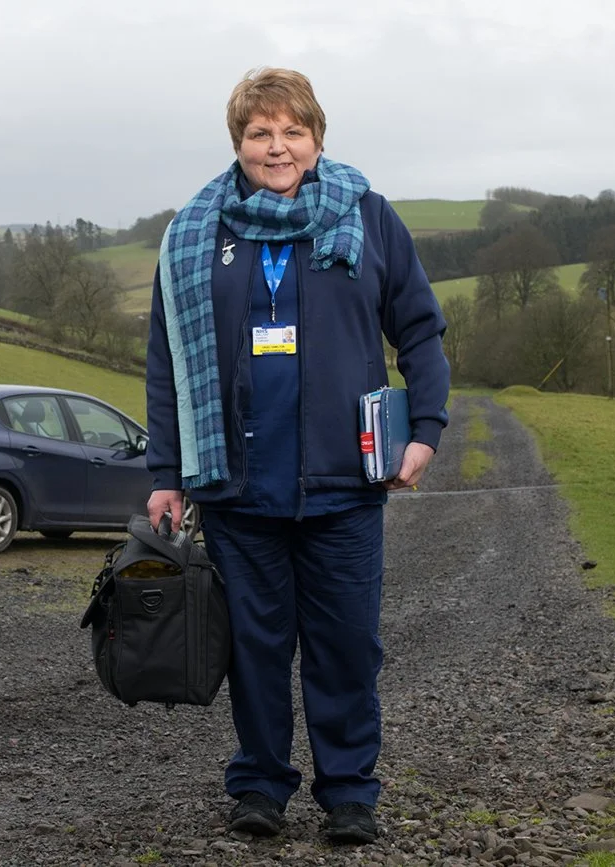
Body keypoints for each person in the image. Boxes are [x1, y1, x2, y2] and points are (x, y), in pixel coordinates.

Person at [144, 67, 450, 845]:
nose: (277, 148)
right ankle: (260, 786)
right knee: (254, 648)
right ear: (238, 142)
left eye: (293, 131)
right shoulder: (195, 235)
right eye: (260, 133)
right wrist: (166, 475)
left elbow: (418, 330)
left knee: (347, 647)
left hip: (344, 487)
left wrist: (426, 430)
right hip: (239, 488)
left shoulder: (369, 218)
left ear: (317, 138)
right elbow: (166, 360)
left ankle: (349, 792)